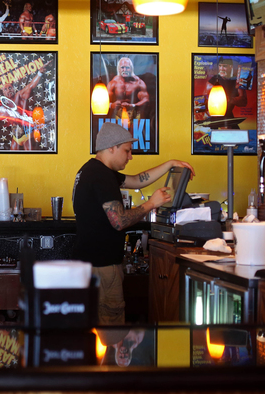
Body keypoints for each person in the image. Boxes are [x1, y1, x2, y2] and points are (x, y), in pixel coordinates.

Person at [72, 123, 194, 324]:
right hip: (103, 267)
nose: (131, 157)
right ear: (112, 148)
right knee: (109, 331)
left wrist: (170, 164)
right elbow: (119, 221)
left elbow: (138, 180)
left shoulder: (91, 170)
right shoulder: (101, 176)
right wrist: (151, 204)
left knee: (92, 331)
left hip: (89, 264)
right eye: (127, 151)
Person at [205, 58, 248, 125]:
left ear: (231, 66)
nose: (221, 69)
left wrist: (229, 99)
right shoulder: (211, 83)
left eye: (224, 66)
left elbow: (244, 102)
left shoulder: (238, 81)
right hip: (213, 119)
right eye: (220, 66)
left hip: (228, 117)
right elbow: (202, 103)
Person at [107, 57, 149, 122]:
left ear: (131, 68)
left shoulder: (138, 82)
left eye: (127, 67)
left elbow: (146, 100)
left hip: (134, 115)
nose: (125, 70)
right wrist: (111, 105)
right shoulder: (113, 83)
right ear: (119, 69)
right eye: (122, 67)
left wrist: (133, 105)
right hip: (118, 115)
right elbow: (102, 102)